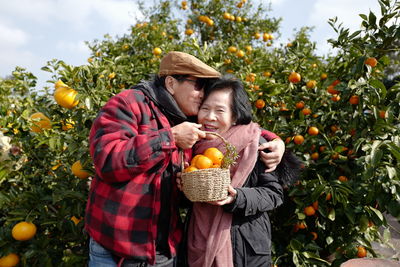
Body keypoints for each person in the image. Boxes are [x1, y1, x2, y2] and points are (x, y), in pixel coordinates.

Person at [85, 51, 285, 266]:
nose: (202, 95)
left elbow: (239, 130)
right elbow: (107, 160)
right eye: (198, 85)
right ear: (171, 83)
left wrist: (275, 140)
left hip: (165, 247)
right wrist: (169, 137)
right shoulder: (130, 103)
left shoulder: (187, 118)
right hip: (119, 246)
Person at [184, 76, 299, 267]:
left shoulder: (254, 145)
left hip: (244, 249)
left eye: (220, 110)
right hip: (197, 240)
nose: (210, 117)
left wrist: (237, 198)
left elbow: (274, 194)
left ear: (235, 115)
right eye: (205, 108)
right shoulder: (194, 144)